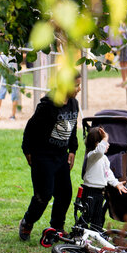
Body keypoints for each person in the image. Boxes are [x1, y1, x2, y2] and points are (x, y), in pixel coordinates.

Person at [18, 76, 81, 241]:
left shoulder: (74, 104)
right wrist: (28, 151)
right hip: (43, 156)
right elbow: (30, 128)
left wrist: (72, 150)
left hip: (61, 156)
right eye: (76, 85)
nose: (79, 89)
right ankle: (27, 222)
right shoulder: (47, 106)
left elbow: (72, 128)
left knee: (65, 193)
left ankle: (57, 227)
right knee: (43, 194)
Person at [0, 50, 23, 121]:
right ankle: (13, 115)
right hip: (14, 77)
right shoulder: (15, 54)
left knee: (0, 96)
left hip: (5, 77)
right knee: (14, 97)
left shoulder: (2, 56)